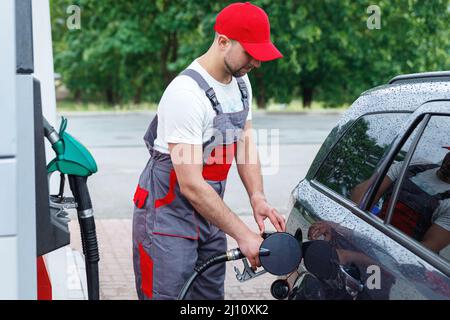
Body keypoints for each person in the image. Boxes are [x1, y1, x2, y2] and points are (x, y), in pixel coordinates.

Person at [132, 2, 286, 300]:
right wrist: (243, 234)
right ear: (223, 41)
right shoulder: (186, 94)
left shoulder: (242, 84)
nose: (256, 63)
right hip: (168, 219)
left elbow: (245, 143)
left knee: (208, 297)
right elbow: (190, 184)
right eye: (250, 53)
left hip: (208, 214)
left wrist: (258, 196)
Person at [351, 149, 450, 253]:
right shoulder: (413, 164)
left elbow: (427, 248)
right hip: (365, 233)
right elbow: (365, 192)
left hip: (396, 257)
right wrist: (355, 226)